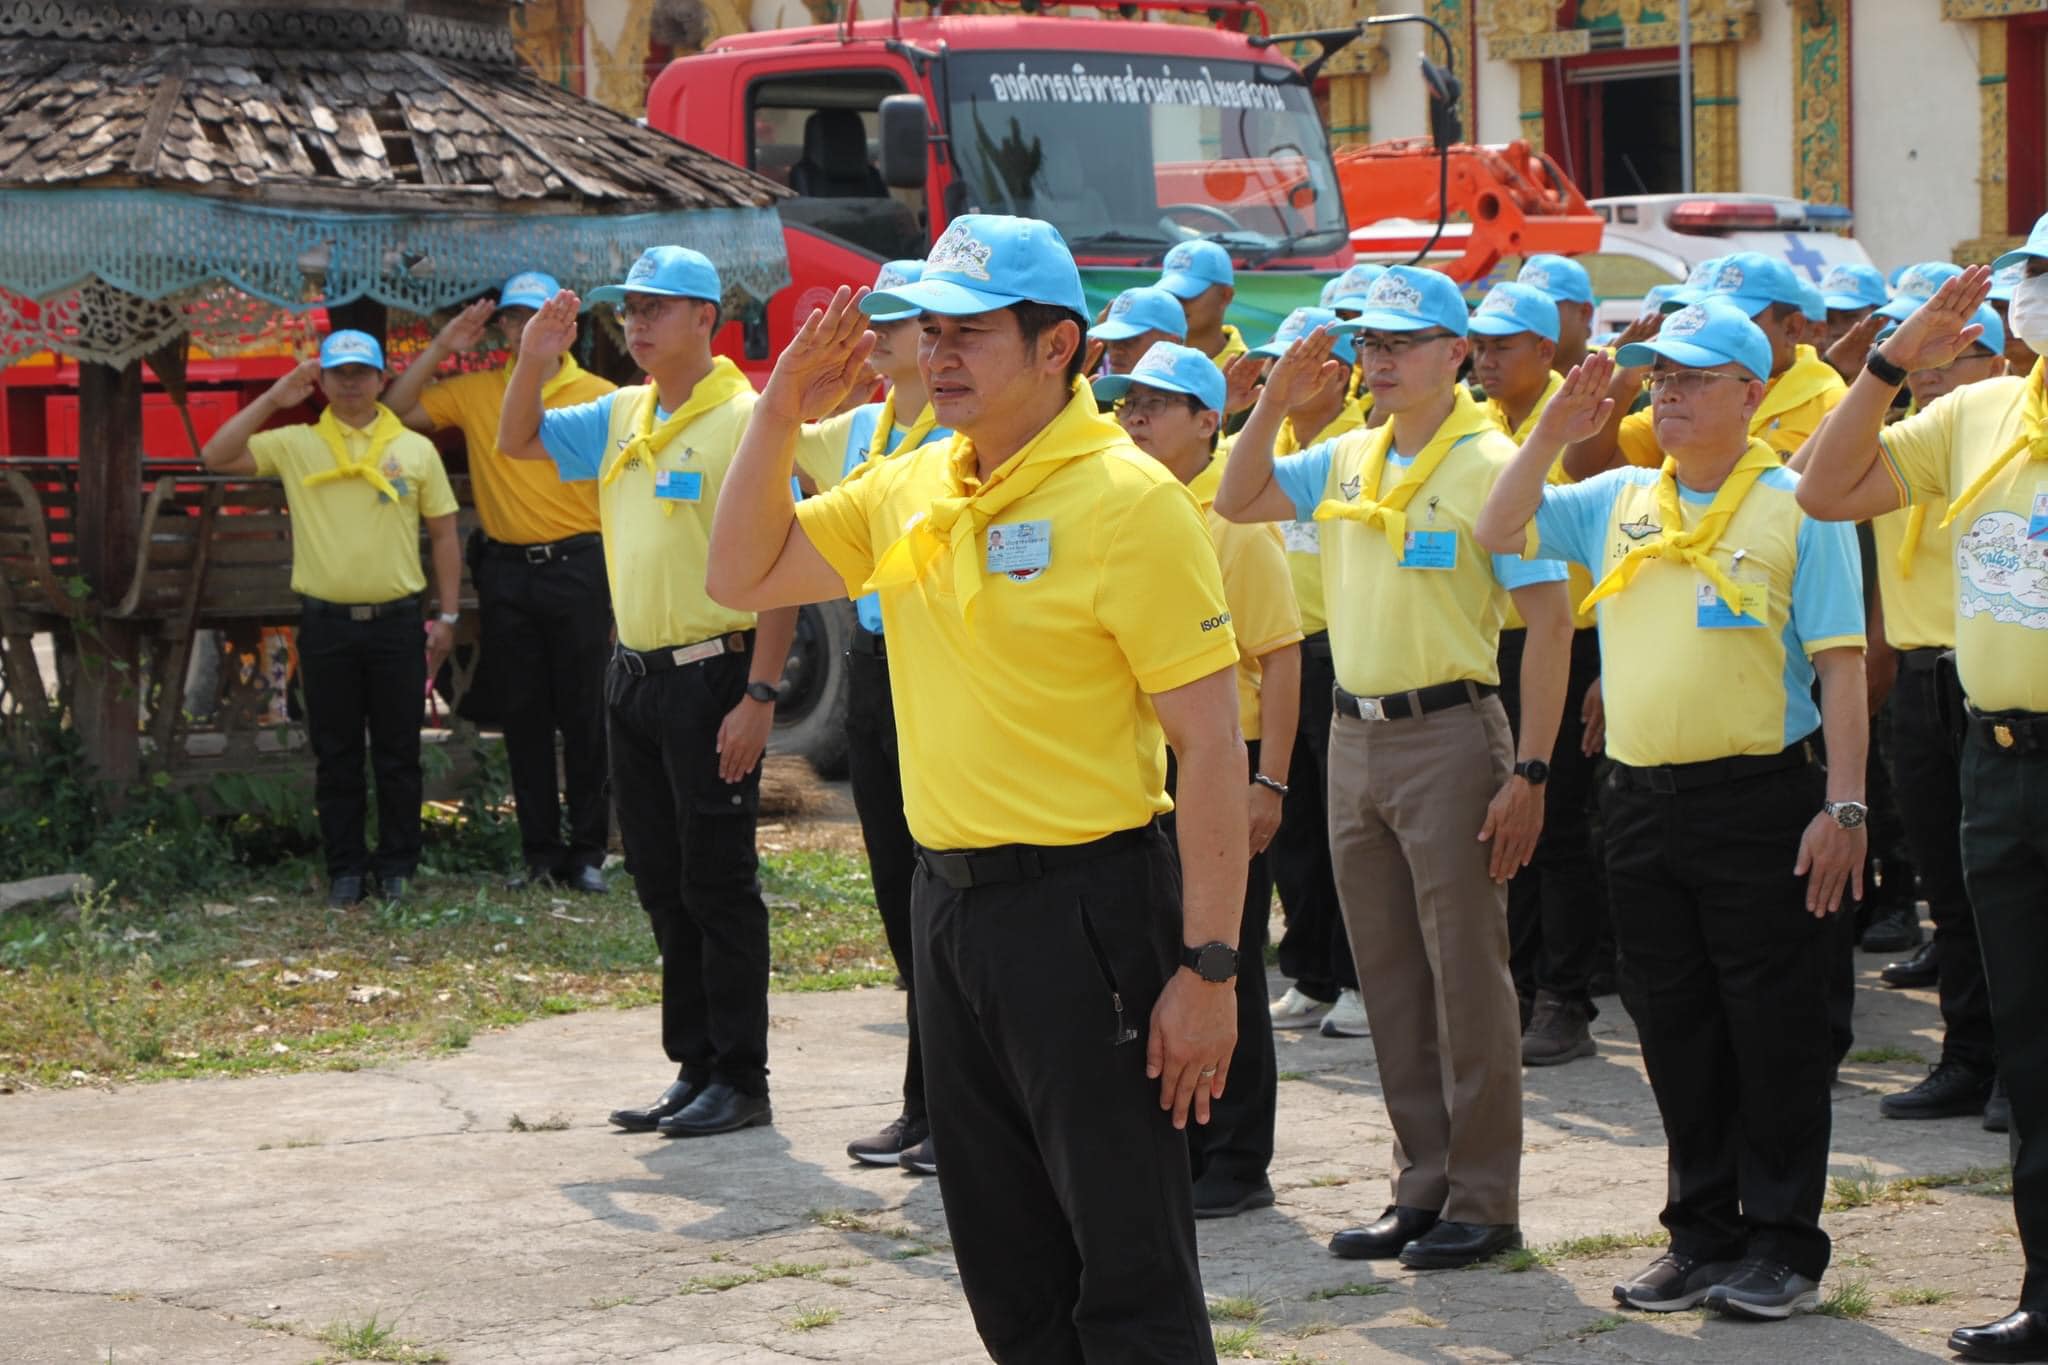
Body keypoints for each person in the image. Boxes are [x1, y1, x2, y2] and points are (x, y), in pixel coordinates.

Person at [706, 214, 1247, 1363]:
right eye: (926, 334)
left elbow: (1207, 748)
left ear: (1057, 348)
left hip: (1089, 910)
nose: (935, 357)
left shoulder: (1128, 502)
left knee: (1127, 1264)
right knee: (1003, 1259)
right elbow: (738, 570)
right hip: (949, 911)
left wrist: (1207, 969)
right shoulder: (914, 485)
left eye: (968, 336)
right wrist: (772, 413)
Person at [1476, 298, 1869, 1322]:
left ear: (1751, 392)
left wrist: (1846, 806)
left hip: (1759, 799)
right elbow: (1494, 522)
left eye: (1694, 378)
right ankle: (1700, 1234)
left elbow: (1839, 666)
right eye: (1660, 379)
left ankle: (1783, 1243)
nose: (1671, 395)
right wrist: (1550, 433)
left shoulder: (1797, 505)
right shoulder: (1615, 494)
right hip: (1640, 803)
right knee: (1674, 1030)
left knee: (1770, 1028)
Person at [1218, 265, 1573, 1271]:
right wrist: (1266, 408)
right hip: (1354, 735)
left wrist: (1532, 771)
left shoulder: (1488, 463)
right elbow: (1239, 495)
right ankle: (1418, 1182)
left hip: (1451, 731)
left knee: (1465, 973)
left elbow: (1547, 625)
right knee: (1385, 973)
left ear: (1455, 353)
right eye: (1366, 342)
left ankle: (1483, 1196)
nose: (1376, 359)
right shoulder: (1344, 457)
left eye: (1399, 342)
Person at [496, 246, 832, 1141]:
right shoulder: (619, 414)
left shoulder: (747, 420)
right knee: (660, 877)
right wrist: (534, 358)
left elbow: (781, 563)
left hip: (715, 675)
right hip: (636, 678)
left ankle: (743, 1075)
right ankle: (695, 1064)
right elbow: (515, 440)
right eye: (628, 310)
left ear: (703, 321)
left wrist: (761, 693)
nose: (636, 324)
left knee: (718, 879)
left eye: (656, 308)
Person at [1792, 255, 2048, 1362]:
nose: (2036, 289)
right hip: (2003, 763)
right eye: (2033, 273)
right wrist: (1889, 367)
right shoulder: (1983, 411)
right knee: (2032, 1047)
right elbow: (1818, 485)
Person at [1101, 340, 1301, 1219]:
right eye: (1125, 403)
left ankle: (1238, 1154)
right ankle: (1186, 1138)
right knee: (1167, 959)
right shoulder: (1123, 508)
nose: (1133, 417)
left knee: (1229, 963)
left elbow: (1284, 656)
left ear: (1207, 421)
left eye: (1155, 404)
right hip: (1152, 768)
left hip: (1226, 763)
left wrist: (1273, 785)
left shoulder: (1231, 517)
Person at [1801, 301, 2006, 1128]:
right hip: (1925, 675)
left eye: (1955, 353)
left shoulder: (2001, 433)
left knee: (2010, 892)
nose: (1931, 369)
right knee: (1950, 889)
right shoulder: (1912, 442)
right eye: (1922, 353)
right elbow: (1808, 481)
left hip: (1997, 679)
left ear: (1998, 363)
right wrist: (1875, 374)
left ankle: (2016, 1070)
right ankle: (1969, 1054)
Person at [201, 330, 461, 907]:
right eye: (339, 374)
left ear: (380, 379)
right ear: (321, 380)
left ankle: (397, 865)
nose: (350, 384)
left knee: (399, 752)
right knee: (336, 752)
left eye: (361, 373)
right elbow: (215, 455)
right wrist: (275, 396)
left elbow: (443, 532)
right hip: (326, 626)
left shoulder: (413, 449)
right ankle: (346, 867)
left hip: (396, 623)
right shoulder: (297, 443)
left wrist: (446, 613)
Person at [383, 271, 617, 893]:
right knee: (525, 716)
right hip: (509, 570)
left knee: (587, 713)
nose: (523, 328)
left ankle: (589, 852)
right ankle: (540, 855)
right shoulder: (479, 389)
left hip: (581, 566)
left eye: (535, 317)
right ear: (505, 328)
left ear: (565, 326)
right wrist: (442, 346)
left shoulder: (600, 393)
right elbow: (395, 414)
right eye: (513, 319)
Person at [831, 259, 955, 1178]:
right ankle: (924, 1103)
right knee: (898, 900)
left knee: (944, 897)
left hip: (935, 663)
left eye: (897, 318)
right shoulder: (863, 429)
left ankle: (955, 1111)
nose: (877, 332)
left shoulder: (950, 437)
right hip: (871, 669)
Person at [1469, 281, 1607, 1065]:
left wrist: (1610, 662)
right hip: (1499, 642)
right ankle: (1517, 987)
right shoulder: (1476, 426)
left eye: (1502, 346)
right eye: (1478, 346)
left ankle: (1565, 997)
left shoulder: (1585, 417)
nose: (1485, 360)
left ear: (1544, 352)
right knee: (1505, 825)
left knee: (1558, 827)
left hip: (1571, 636)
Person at [1243, 310, 1372, 1040]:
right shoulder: (1277, 440)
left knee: (1346, 828)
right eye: (1270, 367)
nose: (1274, 379)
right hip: (1282, 650)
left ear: (1338, 373)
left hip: (1341, 647)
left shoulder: (1355, 445)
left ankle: (1358, 977)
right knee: (1293, 820)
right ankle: (1312, 972)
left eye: (1294, 366)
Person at [1566, 252, 1847, 479]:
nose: (1722, 329)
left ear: (1793, 328)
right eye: (1716, 317)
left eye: (1742, 318)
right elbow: (1585, 468)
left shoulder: (1832, 403)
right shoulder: (1687, 386)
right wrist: (1628, 381)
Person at [1157, 238, 1248, 367]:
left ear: (1225, 296)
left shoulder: (1252, 373)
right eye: (1170, 293)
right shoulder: (1142, 366)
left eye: (1188, 292)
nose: (1177, 302)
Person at [1517, 254, 1597, 372]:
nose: (1529, 321)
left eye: (1543, 308)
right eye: (1523, 309)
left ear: (1584, 313)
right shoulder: (1504, 387)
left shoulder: (1625, 380)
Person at [1087, 284, 1187, 375]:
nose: (1116, 350)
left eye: (1130, 340)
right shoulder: (1097, 390)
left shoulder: (1196, 393)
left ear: (1172, 343)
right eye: (1112, 339)